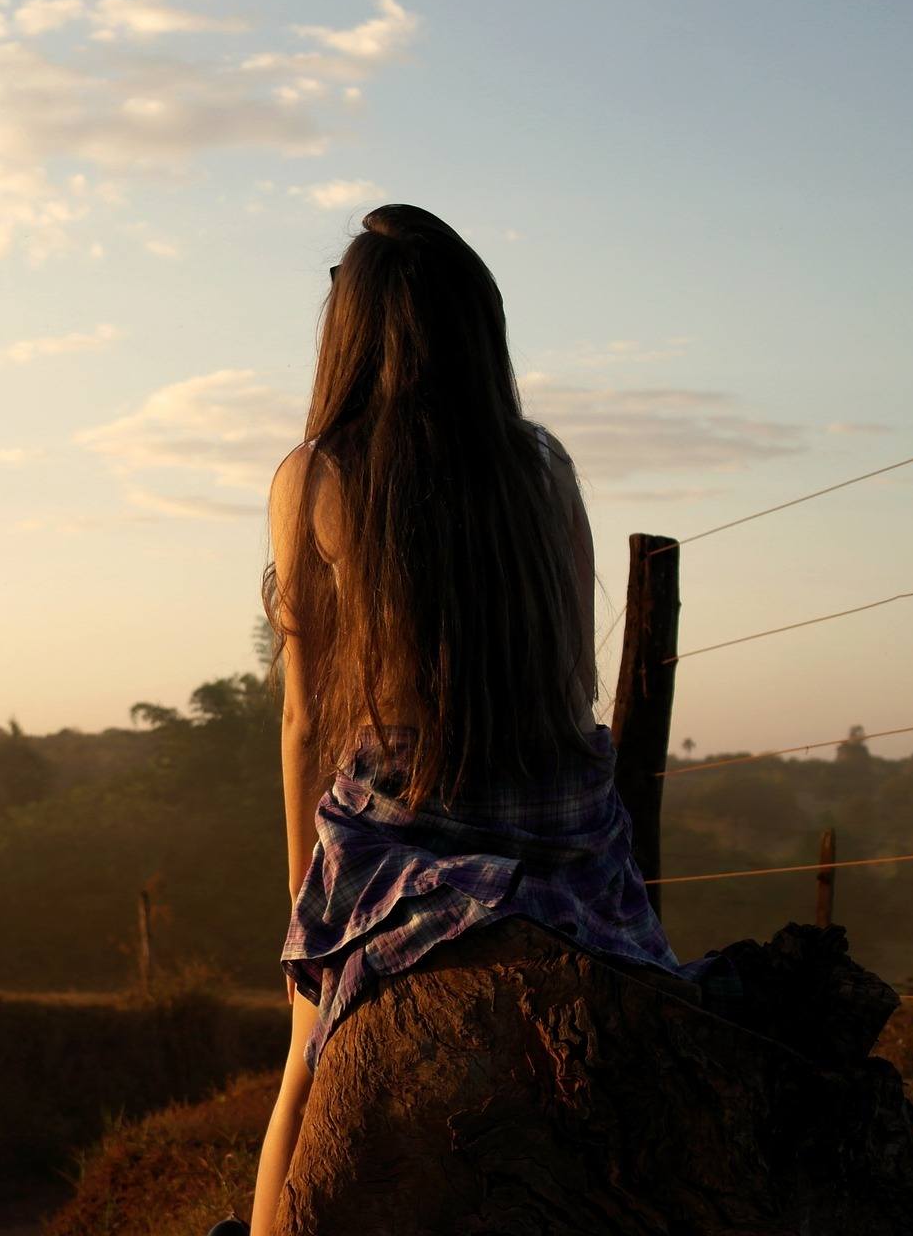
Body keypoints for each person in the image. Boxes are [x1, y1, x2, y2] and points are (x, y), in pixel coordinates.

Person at [212, 204, 690, 1236]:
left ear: (351, 332)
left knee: (304, 1068)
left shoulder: (317, 476)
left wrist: (304, 919)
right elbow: (575, 681)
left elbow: (304, 721)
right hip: (565, 818)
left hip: (407, 818)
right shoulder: (545, 467)